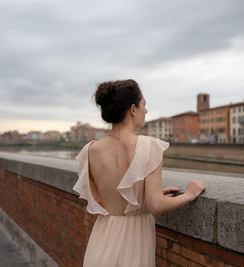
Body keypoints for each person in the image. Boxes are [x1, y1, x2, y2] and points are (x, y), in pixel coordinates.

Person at [73, 79, 206, 267]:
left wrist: (142, 194)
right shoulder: (148, 146)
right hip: (133, 246)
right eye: (144, 105)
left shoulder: (91, 150)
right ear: (133, 109)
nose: (146, 111)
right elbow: (156, 206)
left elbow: (108, 197)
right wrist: (190, 194)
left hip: (100, 244)